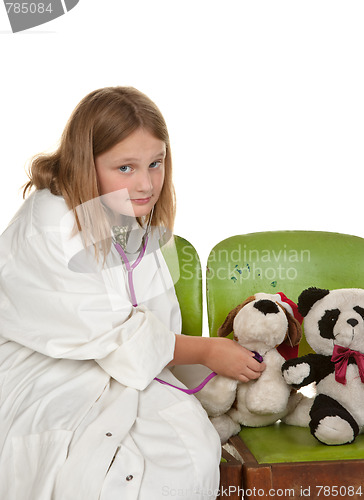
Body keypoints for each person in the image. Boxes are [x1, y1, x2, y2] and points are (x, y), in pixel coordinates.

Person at [0, 86, 265, 500]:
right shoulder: (50, 219)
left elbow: (156, 323)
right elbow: (108, 333)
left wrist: (223, 372)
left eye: (155, 164)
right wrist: (207, 352)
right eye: (125, 168)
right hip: (49, 371)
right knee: (91, 470)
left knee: (191, 452)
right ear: (87, 162)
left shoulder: (124, 217)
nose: (146, 183)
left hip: (129, 369)